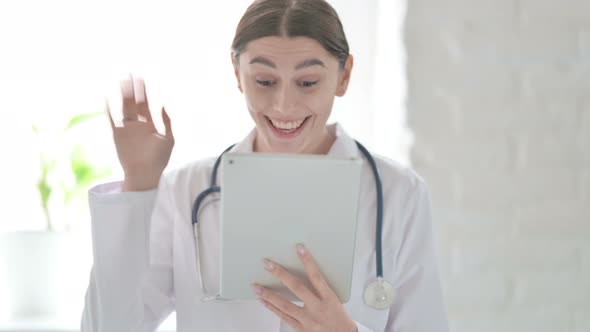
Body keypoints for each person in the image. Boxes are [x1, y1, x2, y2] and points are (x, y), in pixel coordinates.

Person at [81, 0, 449, 331]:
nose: (284, 105)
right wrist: (139, 182)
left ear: (344, 76)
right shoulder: (186, 193)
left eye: (307, 82)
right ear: (237, 73)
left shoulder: (400, 194)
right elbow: (107, 327)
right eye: (264, 80)